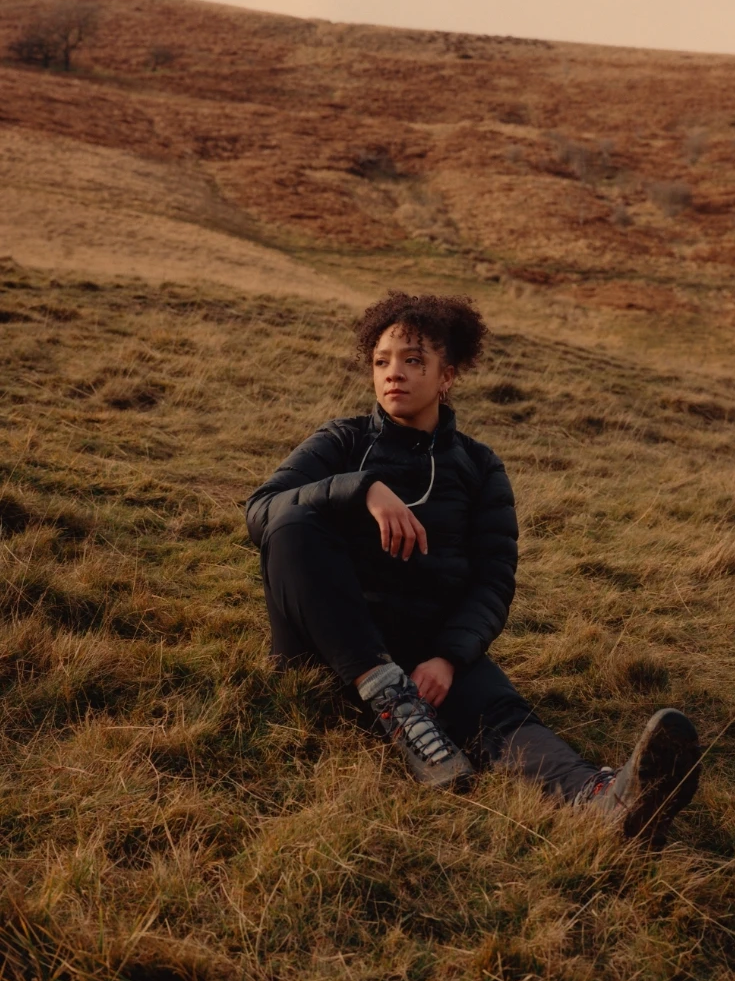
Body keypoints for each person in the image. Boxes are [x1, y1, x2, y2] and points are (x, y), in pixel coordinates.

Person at [246, 292, 701, 848]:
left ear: (447, 377)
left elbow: (493, 579)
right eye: (382, 361)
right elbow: (261, 511)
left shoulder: (479, 467)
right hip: (328, 646)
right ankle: (389, 699)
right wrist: (361, 488)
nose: (393, 373)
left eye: (413, 360)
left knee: (502, 717)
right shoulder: (343, 442)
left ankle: (611, 803)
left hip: (423, 649)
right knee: (292, 523)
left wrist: (448, 657)